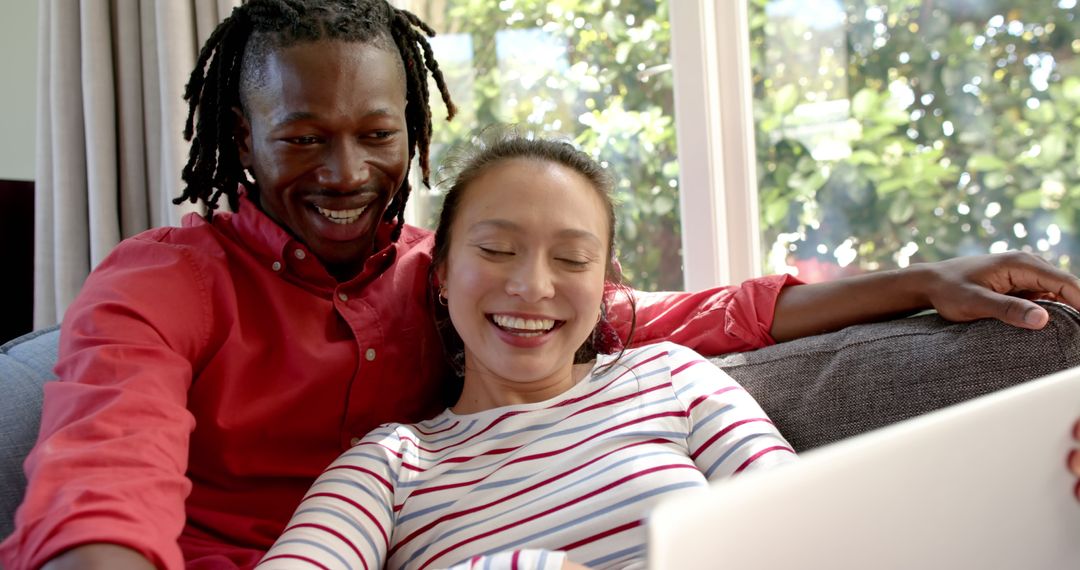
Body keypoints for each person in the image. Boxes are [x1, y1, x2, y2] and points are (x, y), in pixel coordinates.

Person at [2, 1, 1079, 569]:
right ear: (242, 137)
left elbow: (688, 319)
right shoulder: (161, 284)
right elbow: (104, 492)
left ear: (413, 132)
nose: (344, 172)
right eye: (302, 137)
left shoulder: (447, 279)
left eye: (377, 134)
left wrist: (927, 277)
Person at [255, 133, 1080, 570]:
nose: (534, 288)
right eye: (498, 251)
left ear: (604, 282)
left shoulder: (668, 378)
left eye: (571, 260)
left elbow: (803, 527)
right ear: (439, 277)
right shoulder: (392, 466)